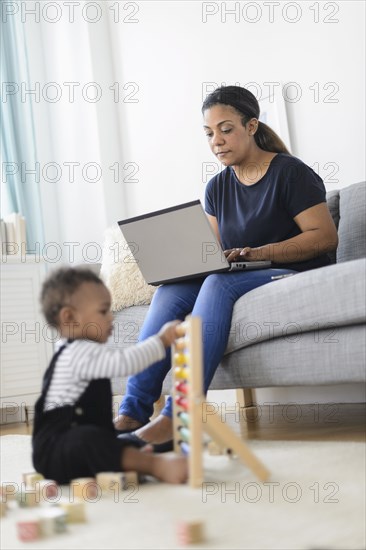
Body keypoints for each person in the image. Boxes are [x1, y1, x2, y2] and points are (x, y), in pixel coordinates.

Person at [115, 85, 338, 449]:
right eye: (209, 134)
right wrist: (185, 264)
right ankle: (133, 411)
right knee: (173, 290)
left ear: (251, 126)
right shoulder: (217, 187)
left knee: (219, 284)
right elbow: (214, 253)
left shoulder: (291, 174)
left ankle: (178, 416)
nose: (216, 140)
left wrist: (259, 252)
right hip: (244, 271)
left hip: (296, 270)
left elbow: (325, 238)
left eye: (226, 129)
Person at [32, 267, 187, 485]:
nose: (111, 317)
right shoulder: (77, 353)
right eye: (103, 311)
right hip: (57, 450)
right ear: (70, 317)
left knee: (112, 442)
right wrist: (160, 341)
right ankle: (155, 466)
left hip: (76, 446)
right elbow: (125, 362)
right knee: (95, 441)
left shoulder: (79, 350)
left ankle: (131, 457)